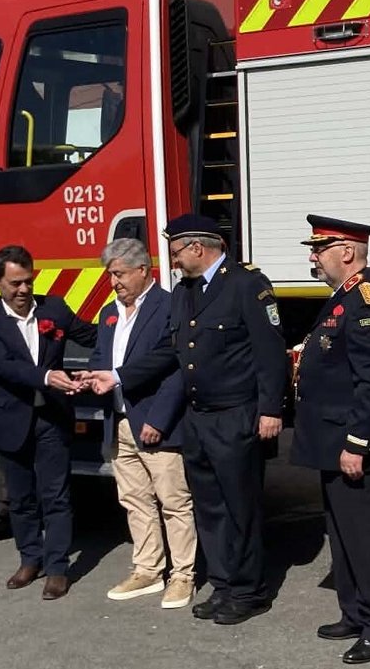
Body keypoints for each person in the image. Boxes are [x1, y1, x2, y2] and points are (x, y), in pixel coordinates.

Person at [94, 213, 287, 625]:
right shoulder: (185, 292)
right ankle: (223, 583)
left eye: (178, 251)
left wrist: (271, 408)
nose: (174, 261)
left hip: (236, 414)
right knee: (210, 508)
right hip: (198, 417)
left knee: (241, 507)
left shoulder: (246, 284)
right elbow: (172, 351)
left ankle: (250, 591)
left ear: (199, 247)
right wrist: (120, 375)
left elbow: (270, 351)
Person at [290, 215, 370, 664]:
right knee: (342, 536)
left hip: (355, 446)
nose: (312, 258)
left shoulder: (367, 302)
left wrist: (357, 443)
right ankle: (354, 612)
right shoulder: (342, 299)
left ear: (346, 252)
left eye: (318, 250)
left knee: (368, 539)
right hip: (331, 441)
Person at [0, 244, 98, 600]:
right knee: (22, 498)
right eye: (14, 284)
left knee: (55, 495)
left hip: (51, 418)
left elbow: (91, 336)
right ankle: (30, 559)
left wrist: (129, 332)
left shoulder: (54, 309)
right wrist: (46, 377)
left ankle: (56, 569)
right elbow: (3, 367)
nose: (23, 290)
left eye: (28, 281)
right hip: (10, 420)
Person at [78, 237, 196, 610]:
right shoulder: (110, 312)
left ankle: (183, 576)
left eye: (120, 274)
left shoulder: (168, 306)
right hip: (120, 421)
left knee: (173, 502)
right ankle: (147, 570)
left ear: (143, 270)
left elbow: (175, 368)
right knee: (134, 501)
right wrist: (92, 379)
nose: (114, 282)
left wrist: (159, 419)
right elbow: (103, 358)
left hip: (153, 422)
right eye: (111, 275)